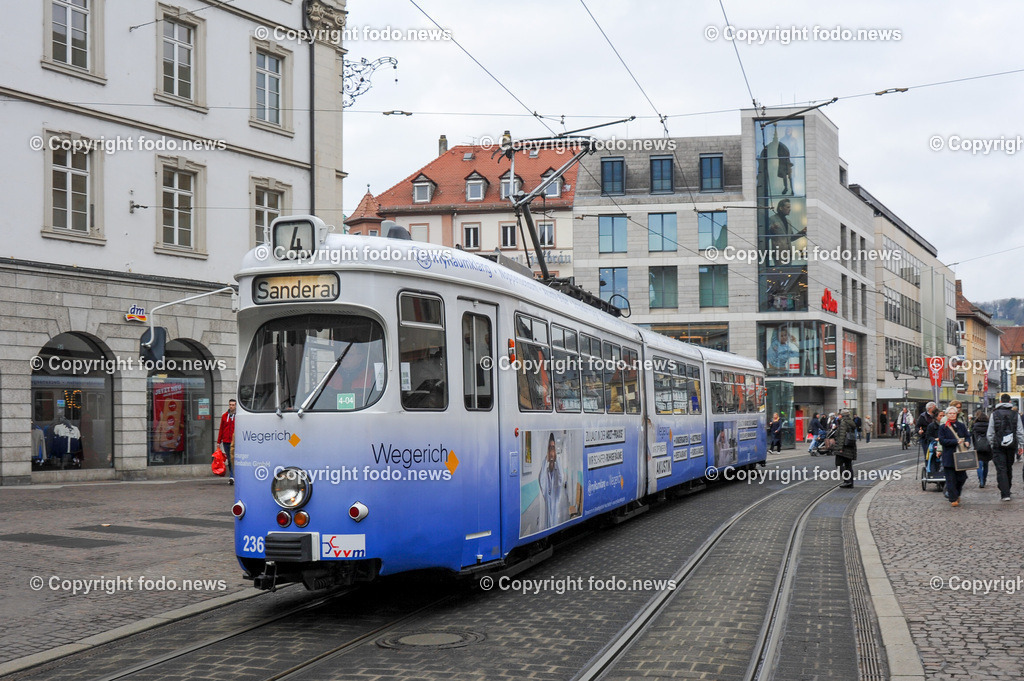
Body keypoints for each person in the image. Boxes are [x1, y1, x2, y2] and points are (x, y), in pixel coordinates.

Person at [986, 393, 1024, 501]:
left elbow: (990, 432)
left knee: (1001, 468)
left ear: (1000, 401)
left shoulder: (994, 414)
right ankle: (1008, 487)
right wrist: (1021, 445)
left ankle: (1005, 493)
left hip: (998, 445)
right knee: (1008, 467)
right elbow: (1020, 432)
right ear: (1010, 402)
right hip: (1011, 445)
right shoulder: (1015, 414)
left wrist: (992, 443)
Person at [938, 406, 970, 507]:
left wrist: (967, 441)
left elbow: (967, 436)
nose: (952, 415)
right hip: (949, 456)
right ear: (947, 415)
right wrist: (955, 441)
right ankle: (953, 498)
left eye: (954, 413)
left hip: (961, 456)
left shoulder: (961, 425)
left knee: (962, 478)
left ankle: (957, 493)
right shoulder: (943, 427)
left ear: (956, 414)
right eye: (950, 413)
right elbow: (942, 440)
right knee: (950, 479)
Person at [538, 434, 567, 528]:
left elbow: (561, 478)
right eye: (550, 448)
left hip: (555, 513)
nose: (551, 451)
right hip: (547, 514)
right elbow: (541, 481)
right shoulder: (545, 472)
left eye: (553, 448)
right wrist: (545, 460)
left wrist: (556, 459)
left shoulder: (557, 472)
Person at [834, 409, 857, 487]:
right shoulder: (851, 422)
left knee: (838, 464)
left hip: (844, 447)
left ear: (842, 415)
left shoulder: (843, 423)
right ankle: (850, 482)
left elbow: (842, 436)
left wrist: (840, 448)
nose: (838, 416)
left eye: (839, 415)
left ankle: (847, 481)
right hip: (850, 446)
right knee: (848, 465)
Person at [216, 399, 236, 484]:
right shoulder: (224, 416)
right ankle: (232, 476)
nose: (231, 406)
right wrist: (218, 441)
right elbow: (221, 428)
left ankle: (233, 476)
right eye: (230, 405)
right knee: (229, 459)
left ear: (235, 406)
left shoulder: (238, 416)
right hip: (226, 441)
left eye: (233, 405)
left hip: (235, 441)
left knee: (234, 459)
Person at [972, 410, 991, 488]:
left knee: (979, 465)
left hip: (978, 447)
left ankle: (981, 480)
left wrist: (975, 446)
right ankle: (984, 479)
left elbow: (973, 437)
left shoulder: (975, 426)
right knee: (986, 465)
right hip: (987, 447)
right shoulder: (989, 425)